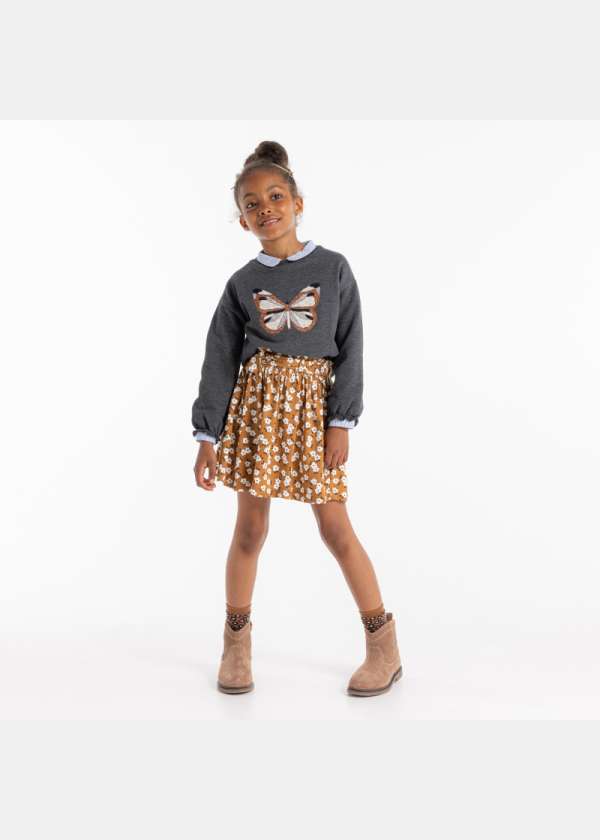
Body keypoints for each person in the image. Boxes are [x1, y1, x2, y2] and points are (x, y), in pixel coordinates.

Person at [191, 140, 402, 697]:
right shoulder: (241, 283)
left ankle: (383, 646)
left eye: (275, 197)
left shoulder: (333, 268)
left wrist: (341, 422)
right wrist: (207, 434)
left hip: (313, 414)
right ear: (242, 220)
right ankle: (236, 645)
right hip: (257, 412)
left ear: (298, 202)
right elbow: (219, 358)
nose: (266, 209)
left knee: (335, 528)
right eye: (252, 204)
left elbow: (352, 345)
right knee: (249, 529)